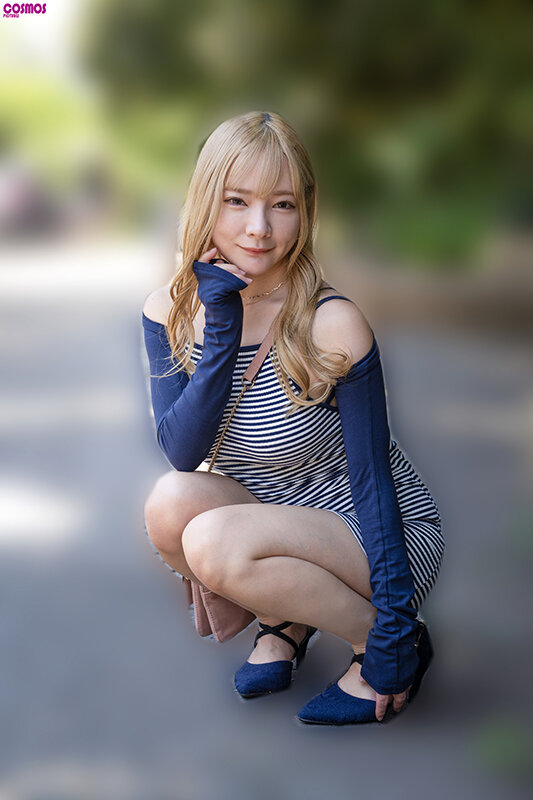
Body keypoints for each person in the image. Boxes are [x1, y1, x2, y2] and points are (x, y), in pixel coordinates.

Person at [141, 110, 445, 725]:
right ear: (206, 200)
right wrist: (222, 325)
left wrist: (391, 623)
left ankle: (388, 640)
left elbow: (374, 484)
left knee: (212, 541)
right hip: (271, 523)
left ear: (304, 212)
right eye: (237, 201)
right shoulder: (168, 311)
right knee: (169, 504)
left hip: (372, 533)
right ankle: (286, 619)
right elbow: (183, 450)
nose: (259, 228)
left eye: (281, 205)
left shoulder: (333, 323)